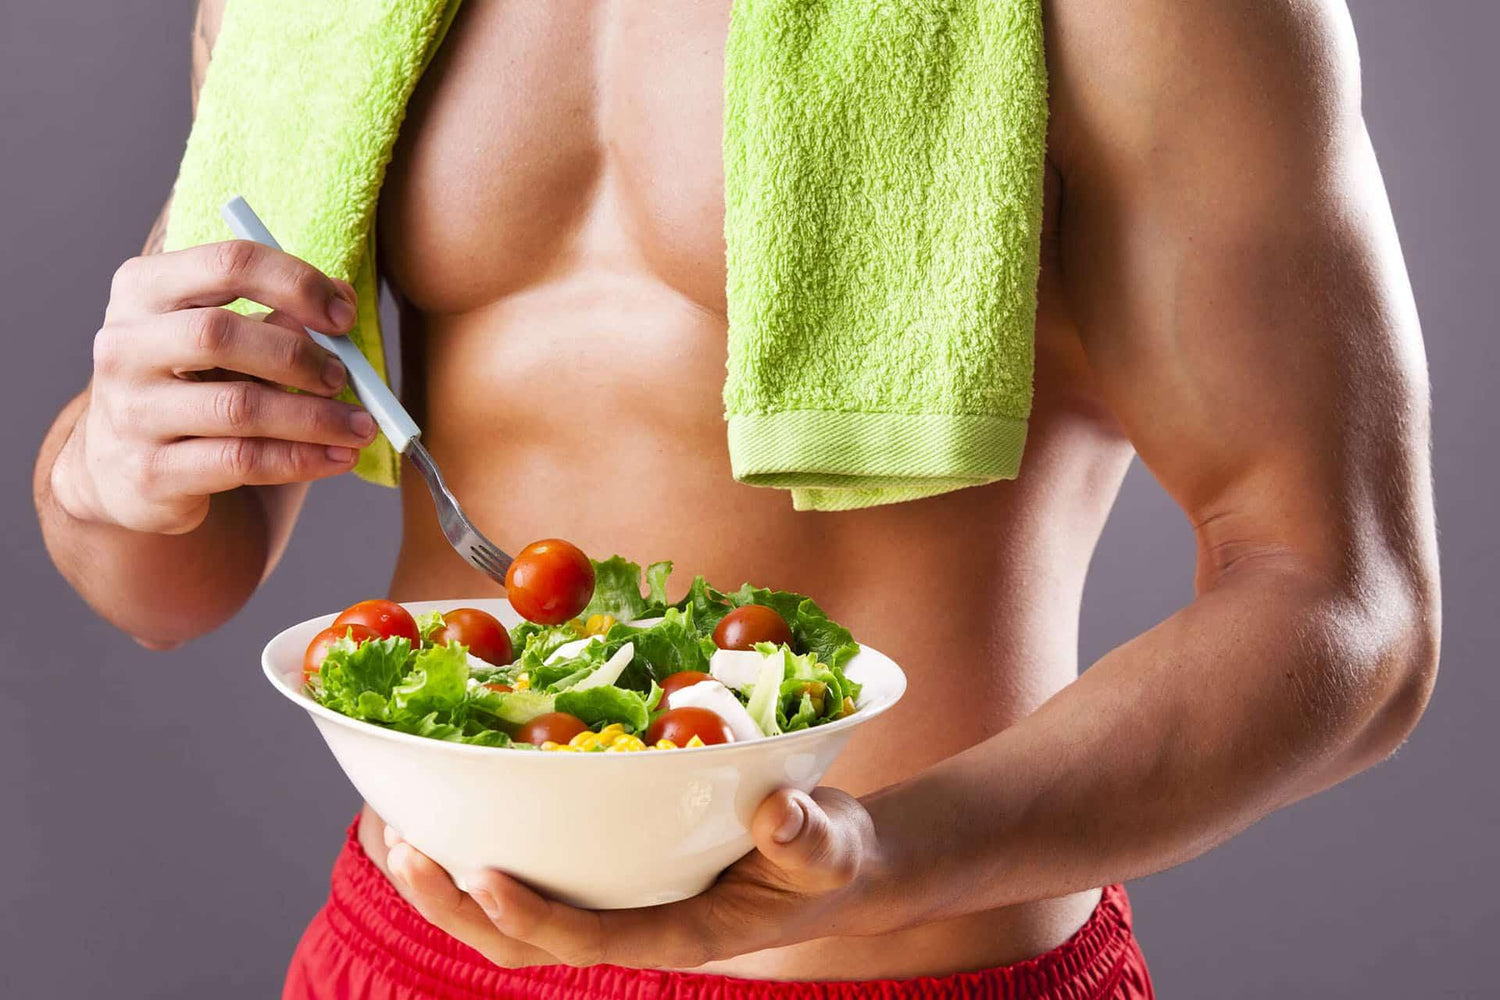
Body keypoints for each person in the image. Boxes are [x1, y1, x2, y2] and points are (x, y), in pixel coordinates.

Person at [33, 1, 1439, 997]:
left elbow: (1347, 604)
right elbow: (173, 582)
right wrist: (108, 468)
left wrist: (886, 856)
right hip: (410, 953)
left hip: (901, 965)